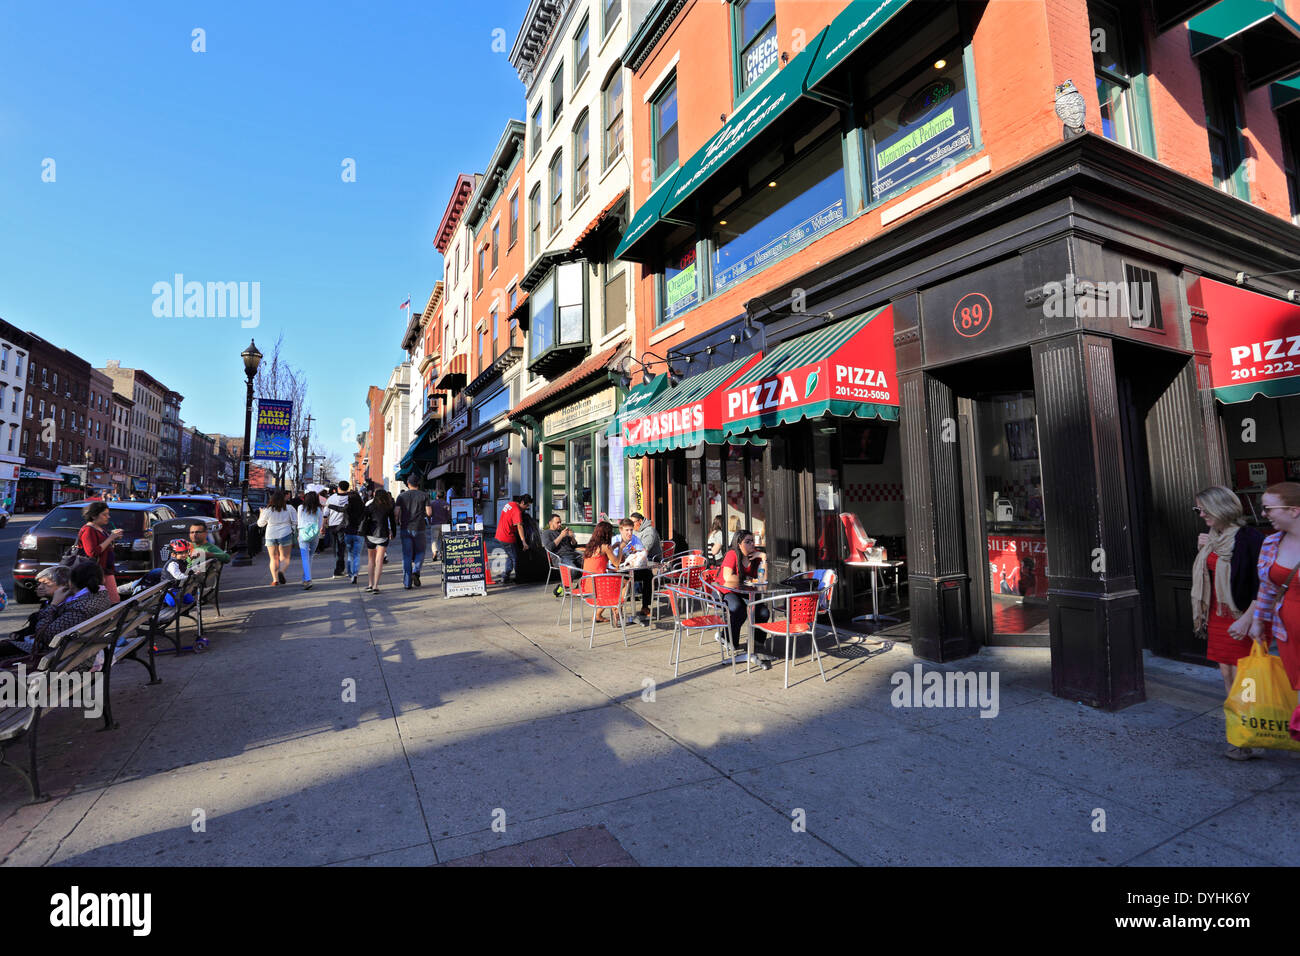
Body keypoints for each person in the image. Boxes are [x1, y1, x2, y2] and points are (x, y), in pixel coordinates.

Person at [1191, 486, 1265, 758]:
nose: (1200, 514)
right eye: (1197, 509)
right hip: (1218, 615)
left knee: (1244, 679)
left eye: (1203, 509)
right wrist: (1204, 549)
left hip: (1241, 616)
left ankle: (1246, 737)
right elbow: (1210, 577)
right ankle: (1239, 733)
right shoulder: (1213, 537)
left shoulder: (1251, 538)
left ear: (1220, 508)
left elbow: (1263, 584)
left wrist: (1247, 619)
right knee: (1227, 675)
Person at [1249, 482, 1300, 703]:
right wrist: (1259, 621)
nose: (1263, 513)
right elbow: (1268, 588)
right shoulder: (1271, 543)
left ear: (1294, 510)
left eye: (1268, 508)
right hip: (1288, 633)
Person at [716, 528, 774, 667]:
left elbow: (762, 580)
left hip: (744, 592)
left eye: (753, 541)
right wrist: (746, 579)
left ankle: (756, 645)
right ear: (739, 543)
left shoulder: (754, 557)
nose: (752, 544)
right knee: (738, 608)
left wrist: (763, 558)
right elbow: (727, 578)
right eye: (748, 542)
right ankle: (728, 639)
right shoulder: (732, 554)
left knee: (763, 612)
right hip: (725, 591)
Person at [1, 566, 75, 666]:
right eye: (39, 583)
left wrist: (53, 604)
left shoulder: (64, 606)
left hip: (41, 652)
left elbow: (41, 633)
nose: (39, 587)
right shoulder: (54, 603)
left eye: (45, 583)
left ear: (64, 586)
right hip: (40, 648)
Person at [77, 500, 124, 603]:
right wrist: (110, 538)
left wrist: (113, 537)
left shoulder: (98, 528)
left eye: (108, 514)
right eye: (104, 514)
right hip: (98, 572)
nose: (108, 517)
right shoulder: (88, 530)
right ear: (94, 516)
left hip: (105, 569)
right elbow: (92, 552)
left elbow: (104, 546)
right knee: (113, 600)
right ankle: (112, 619)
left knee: (109, 600)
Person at [395, 476, 433, 589]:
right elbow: (429, 513)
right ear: (418, 484)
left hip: (405, 527)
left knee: (406, 555)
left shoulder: (401, 496)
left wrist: (397, 522)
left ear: (408, 483)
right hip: (420, 527)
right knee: (420, 552)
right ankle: (416, 571)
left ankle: (407, 582)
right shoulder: (424, 495)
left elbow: (396, 512)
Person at [613, 518, 652, 626]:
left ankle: (645, 606)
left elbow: (640, 554)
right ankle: (618, 609)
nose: (629, 533)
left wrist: (639, 555)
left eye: (631, 530)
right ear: (621, 530)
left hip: (633, 569)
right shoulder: (615, 540)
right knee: (625, 580)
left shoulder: (635, 539)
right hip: (619, 571)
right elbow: (614, 560)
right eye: (627, 530)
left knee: (648, 575)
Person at [582, 520, 620, 623]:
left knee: (617, 582)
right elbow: (616, 563)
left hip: (586, 583)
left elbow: (600, 557)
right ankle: (616, 610)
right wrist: (620, 549)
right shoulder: (606, 547)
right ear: (607, 534)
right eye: (611, 532)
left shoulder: (592, 546)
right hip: (597, 585)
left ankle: (598, 615)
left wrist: (614, 547)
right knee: (624, 583)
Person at [257, 490, 297, 587]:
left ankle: (275, 580)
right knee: (285, 557)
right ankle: (281, 572)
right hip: (285, 533)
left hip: (271, 534)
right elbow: (295, 521)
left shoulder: (267, 510)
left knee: (273, 558)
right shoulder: (289, 508)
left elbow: (260, 524)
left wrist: (261, 513)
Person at [363, 487, 398, 593]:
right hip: (383, 534)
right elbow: (392, 522)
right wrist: (393, 533)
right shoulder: (388, 507)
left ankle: (369, 584)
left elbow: (364, 520)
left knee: (371, 560)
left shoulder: (370, 506)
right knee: (379, 561)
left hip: (370, 535)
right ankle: (375, 586)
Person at [495, 494, 532, 584]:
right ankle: (519, 578)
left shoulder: (510, 504)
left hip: (500, 534)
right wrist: (524, 542)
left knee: (510, 556)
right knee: (515, 558)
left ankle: (505, 576)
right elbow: (519, 526)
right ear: (522, 502)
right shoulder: (517, 511)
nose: (526, 508)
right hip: (507, 537)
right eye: (527, 505)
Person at [297, 491, 323, 590]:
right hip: (314, 534)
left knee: (304, 557)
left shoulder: (300, 508)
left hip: (303, 534)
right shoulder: (319, 509)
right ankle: (305, 578)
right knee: (310, 556)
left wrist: (299, 534)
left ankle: (308, 579)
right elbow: (320, 524)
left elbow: (299, 522)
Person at [325, 481, 351, 577]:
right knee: (341, 548)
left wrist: (323, 526)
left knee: (336, 548)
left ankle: (339, 568)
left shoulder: (331, 498)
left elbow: (325, 513)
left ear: (338, 488)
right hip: (344, 526)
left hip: (332, 525)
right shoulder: (349, 498)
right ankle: (339, 569)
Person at [431, 490, 451, 561]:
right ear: (444, 496)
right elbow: (449, 514)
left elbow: (429, 513)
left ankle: (434, 552)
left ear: (437, 496)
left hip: (435, 523)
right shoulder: (446, 504)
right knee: (443, 540)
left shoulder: (432, 503)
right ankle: (441, 553)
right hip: (444, 524)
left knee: (434, 539)